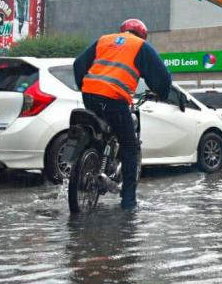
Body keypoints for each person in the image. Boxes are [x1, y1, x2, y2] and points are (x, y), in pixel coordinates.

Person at [73, 18, 171, 210]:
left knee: (100, 136)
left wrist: (83, 87)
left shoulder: (104, 40)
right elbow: (162, 76)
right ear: (142, 34)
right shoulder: (140, 46)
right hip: (114, 99)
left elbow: (78, 64)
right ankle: (128, 201)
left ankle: (93, 167)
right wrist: (162, 92)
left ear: (122, 31)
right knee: (129, 146)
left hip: (90, 95)